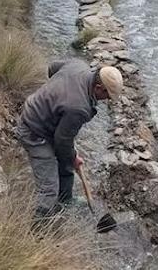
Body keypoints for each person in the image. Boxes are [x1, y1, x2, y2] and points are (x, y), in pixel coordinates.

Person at [15, 60, 124, 219]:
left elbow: (52, 68)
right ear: (98, 88)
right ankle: (39, 231)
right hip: (34, 132)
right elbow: (62, 142)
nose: (106, 100)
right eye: (107, 95)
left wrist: (55, 95)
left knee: (65, 163)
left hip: (46, 120)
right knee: (48, 189)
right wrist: (73, 157)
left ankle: (65, 200)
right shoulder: (79, 108)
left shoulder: (79, 65)